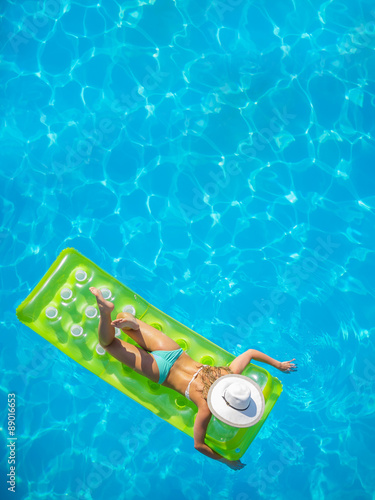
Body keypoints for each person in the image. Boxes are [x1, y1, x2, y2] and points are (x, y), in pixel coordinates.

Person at [89, 287, 297, 470]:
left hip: (173, 352)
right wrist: (226, 461)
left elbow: (250, 352)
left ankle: (130, 324)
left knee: (124, 314)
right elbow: (199, 445)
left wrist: (278, 365)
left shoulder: (229, 374)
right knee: (109, 345)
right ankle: (104, 313)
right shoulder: (206, 408)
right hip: (160, 372)